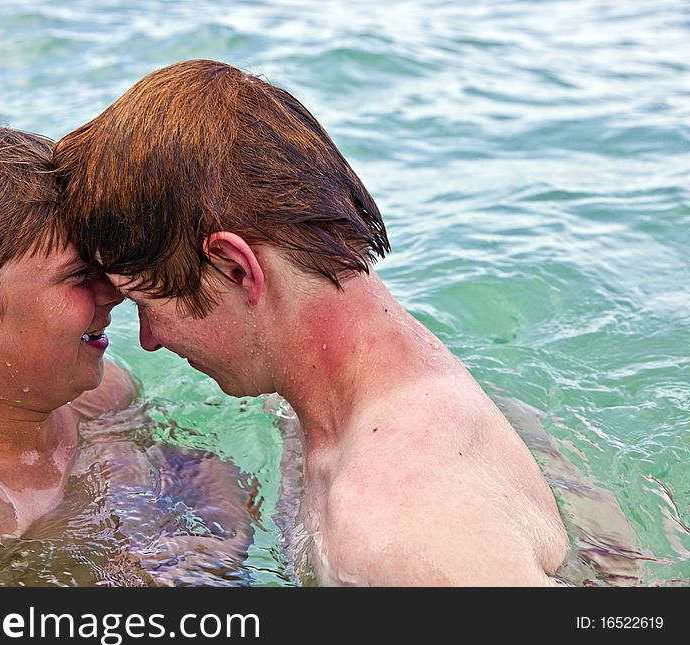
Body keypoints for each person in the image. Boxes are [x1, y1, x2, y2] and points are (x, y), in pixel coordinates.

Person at [54, 59, 570, 586]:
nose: (149, 338)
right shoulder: (346, 392)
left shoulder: (397, 533)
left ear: (235, 269)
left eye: (145, 301)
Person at [0, 123, 255, 584]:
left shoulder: (100, 396)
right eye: (80, 275)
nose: (113, 292)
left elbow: (195, 468)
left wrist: (224, 535)